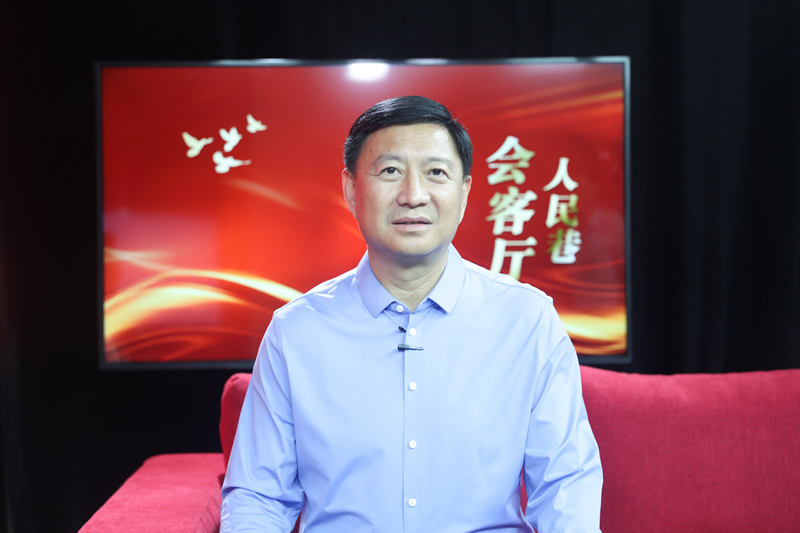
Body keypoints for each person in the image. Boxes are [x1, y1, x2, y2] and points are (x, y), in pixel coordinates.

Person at [221, 96, 602, 532]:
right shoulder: (296, 331)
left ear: (464, 192)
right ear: (351, 189)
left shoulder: (526, 319)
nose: (413, 195)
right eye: (390, 171)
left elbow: (564, 483)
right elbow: (259, 497)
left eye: (436, 172)